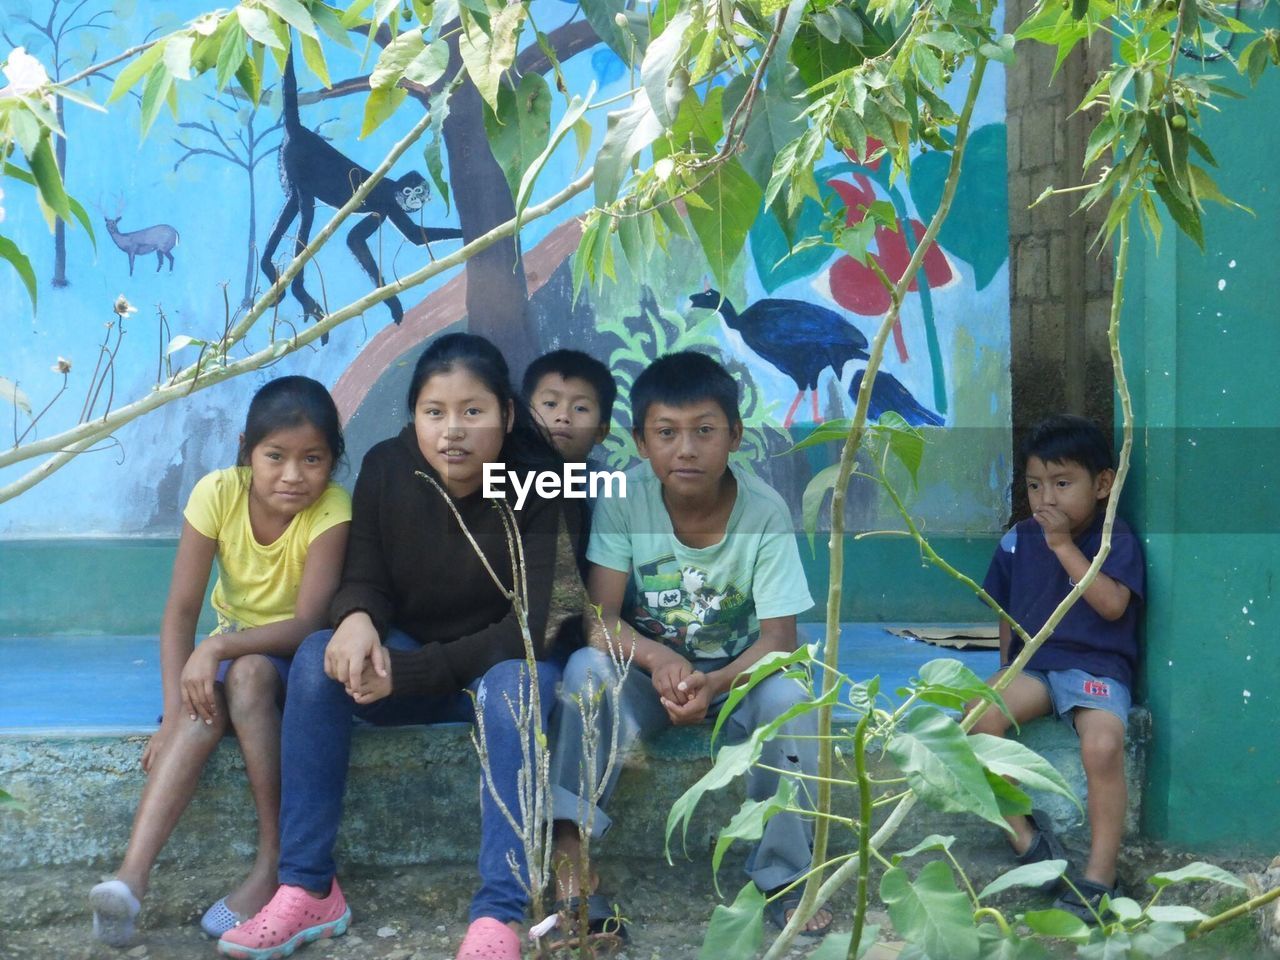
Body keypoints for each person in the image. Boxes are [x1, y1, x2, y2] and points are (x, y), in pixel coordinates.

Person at [218, 333, 588, 960]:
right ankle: (308, 887)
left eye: (473, 412)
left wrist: (413, 673)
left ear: (504, 411)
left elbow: (540, 626)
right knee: (317, 655)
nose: (452, 431)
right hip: (411, 659)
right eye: (433, 411)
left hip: (500, 672)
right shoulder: (390, 467)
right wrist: (358, 614)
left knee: (516, 686)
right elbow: (364, 573)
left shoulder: (549, 481)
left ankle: (499, 914)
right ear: (413, 414)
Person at [547, 350, 833, 938]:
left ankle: (784, 876)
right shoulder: (626, 500)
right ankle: (572, 863)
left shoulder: (765, 511)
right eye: (666, 432)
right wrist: (663, 660)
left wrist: (714, 681)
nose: (686, 449)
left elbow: (779, 639)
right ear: (640, 441)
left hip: (740, 680)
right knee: (583, 671)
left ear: (734, 436)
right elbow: (601, 622)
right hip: (648, 677)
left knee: (794, 695)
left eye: (704, 431)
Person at [90, 376, 351, 947]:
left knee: (250, 675)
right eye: (275, 456)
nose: (292, 475)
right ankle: (131, 881)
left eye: (312, 459)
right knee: (198, 703)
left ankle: (272, 865)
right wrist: (169, 712)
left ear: (332, 460)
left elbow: (309, 623)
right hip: (232, 652)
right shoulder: (218, 493)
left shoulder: (332, 508)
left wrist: (218, 648)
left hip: (295, 662)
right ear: (246, 450)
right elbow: (180, 611)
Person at [970, 414, 1144, 922]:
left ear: (1103, 485)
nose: (1046, 499)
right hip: (1036, 665)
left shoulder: (1115, 537)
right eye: (1034, 485)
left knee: (1104, 744)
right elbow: (1003, 612)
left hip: (1095, 666)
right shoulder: (1017, 541)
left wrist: (1065, 547)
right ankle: (1026, 840)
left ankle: (1099, 875)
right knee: (978, 717)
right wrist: (1006, 670)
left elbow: (1112, 606)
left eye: (1062, 484)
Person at [521, 348, 615, 468]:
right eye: (550, 404)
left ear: (600, 431)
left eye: (580, 408)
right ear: (524, 417)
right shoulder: (499, 479)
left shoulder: (614, 484)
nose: (563, 416)